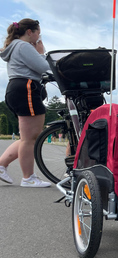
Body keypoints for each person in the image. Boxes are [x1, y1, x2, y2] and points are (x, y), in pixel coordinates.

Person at [0, 19, 51, 187]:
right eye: (38, 33)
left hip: (16, 88)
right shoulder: (24, 46)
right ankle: (28, 178)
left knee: (27, 137)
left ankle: (1, 165)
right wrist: (41, 52)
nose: (39, 36)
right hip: (26, 88)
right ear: (30, 32)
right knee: (31, 138)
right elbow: (44, 67)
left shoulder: (14, 46)